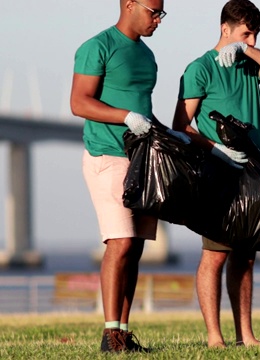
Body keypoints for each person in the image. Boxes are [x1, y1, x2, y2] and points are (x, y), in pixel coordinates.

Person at [172, 0, 260, 348]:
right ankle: (214, 337)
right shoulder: (199, 69)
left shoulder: (248, 63)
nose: (251, 40)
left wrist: (247, 50)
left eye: (254, 34)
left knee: (246, 256)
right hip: (219, 171)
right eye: (245, 33)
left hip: (256, 169)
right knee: (215, 254)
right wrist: (217, 149)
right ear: (225, 28)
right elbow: (181, 125)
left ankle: (246, 335)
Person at [70, 0, 169, 353]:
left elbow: (144, 109)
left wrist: (168, 134)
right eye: (153, 12)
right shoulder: (97, 47)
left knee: (136, 248)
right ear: (130, 5)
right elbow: (79, 102)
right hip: (106, 155)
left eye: (161, 14)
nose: (158, 19)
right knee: (121, 242)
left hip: (143, 160)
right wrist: (126, 116)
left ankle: (123, 334)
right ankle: (109, 336)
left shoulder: (148, 56)